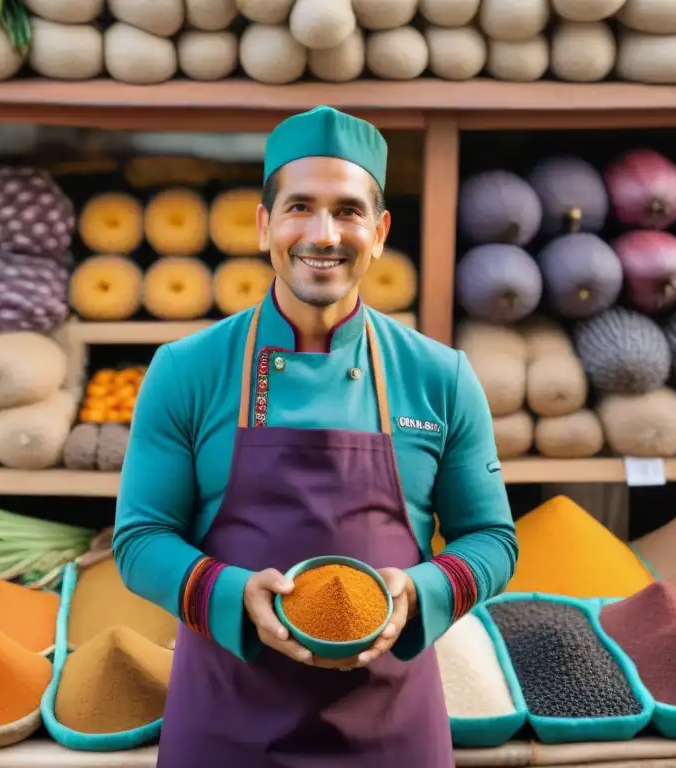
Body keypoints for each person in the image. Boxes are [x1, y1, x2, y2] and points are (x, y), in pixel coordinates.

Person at [113, 105, 519, 767]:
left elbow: (493, 540)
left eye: (349, 211)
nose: (324, 234)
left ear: (381, 232)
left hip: (392, 730)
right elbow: (139, 539)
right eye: (300, 206)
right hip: (226, 723)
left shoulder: (439, 376)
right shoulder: (186, 370)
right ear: (264, 224)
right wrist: (228, 594)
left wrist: (420, 592)